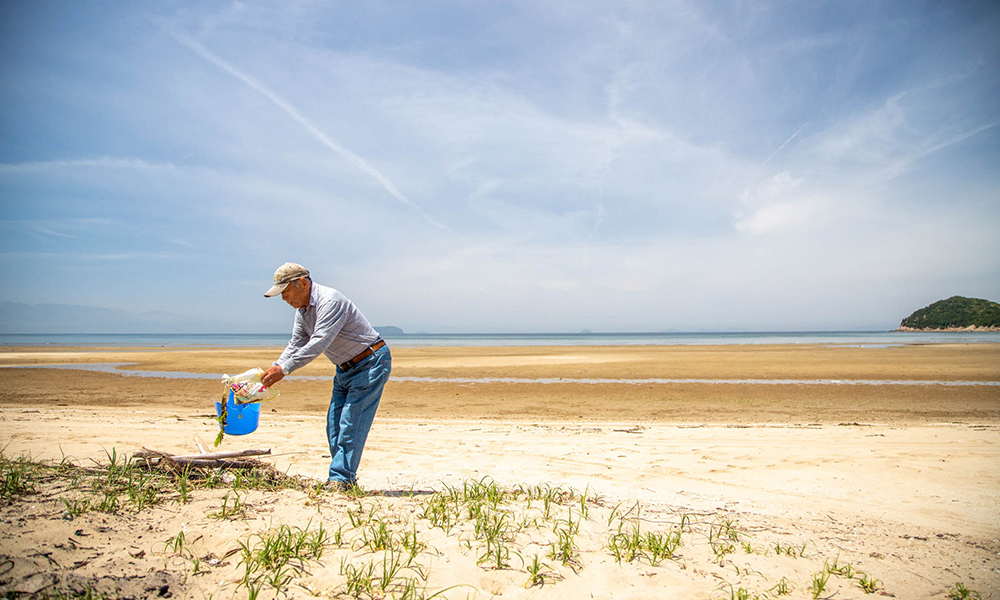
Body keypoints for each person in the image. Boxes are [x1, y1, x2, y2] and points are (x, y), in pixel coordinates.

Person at [260, 262, 391, 491]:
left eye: (285, 292)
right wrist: (276, 367)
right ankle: (343, 478)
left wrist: (285, 370)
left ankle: (340, 479)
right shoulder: (302, 311)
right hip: (344, 368)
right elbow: (296, 343)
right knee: (334, 426)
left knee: (351, 423)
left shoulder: (330, 301)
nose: (284, 299)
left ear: (302, 283)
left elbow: (318, 342)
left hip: (370, 362)